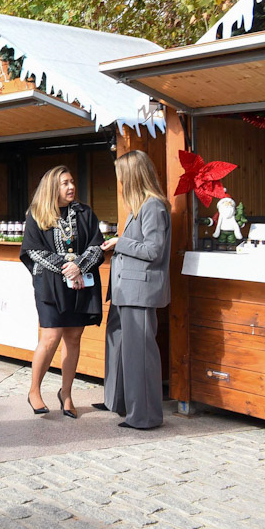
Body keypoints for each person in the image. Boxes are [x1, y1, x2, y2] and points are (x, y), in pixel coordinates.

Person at [19, 165, 104, 419]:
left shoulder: (84, 213)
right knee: (51, 336)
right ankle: (34, 390)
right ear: (52, 188)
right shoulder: (37, 214)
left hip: (80, 283)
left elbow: (97, 246)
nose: (71, 187)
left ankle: (66, 394)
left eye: (72, 182)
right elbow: (32, 250)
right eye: (64, 183)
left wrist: (79, 266)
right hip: (50, 285)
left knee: (74, 337)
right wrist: (66, 268)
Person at [99, 150, 171, 430]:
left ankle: (145, 417)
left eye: (120, 175)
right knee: (121, 349)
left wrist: (120, 242)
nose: (119, 181)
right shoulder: (139, 206)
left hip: (139, 291)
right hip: (125, 290)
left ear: (132, 176)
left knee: (139, 355)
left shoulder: (153, 206)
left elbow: (154, 250)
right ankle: (121, 404)